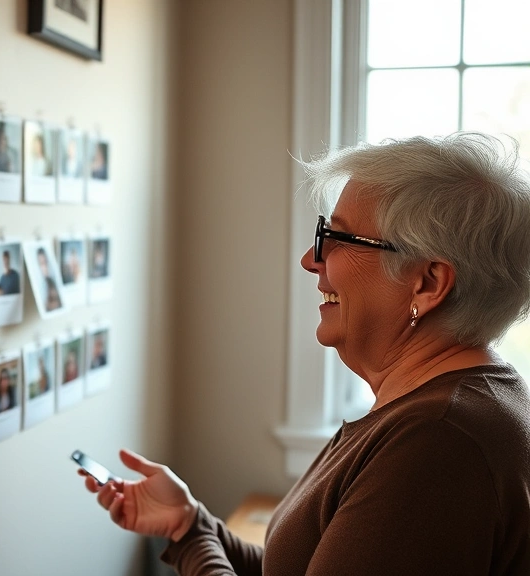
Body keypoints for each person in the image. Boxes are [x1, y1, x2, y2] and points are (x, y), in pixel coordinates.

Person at [79, 133, 530, 575]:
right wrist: (189, 525)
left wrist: (193, 542)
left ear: (428, 283)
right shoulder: (440, 411)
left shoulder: (435, 443)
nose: (311, 260)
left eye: (340, 237)